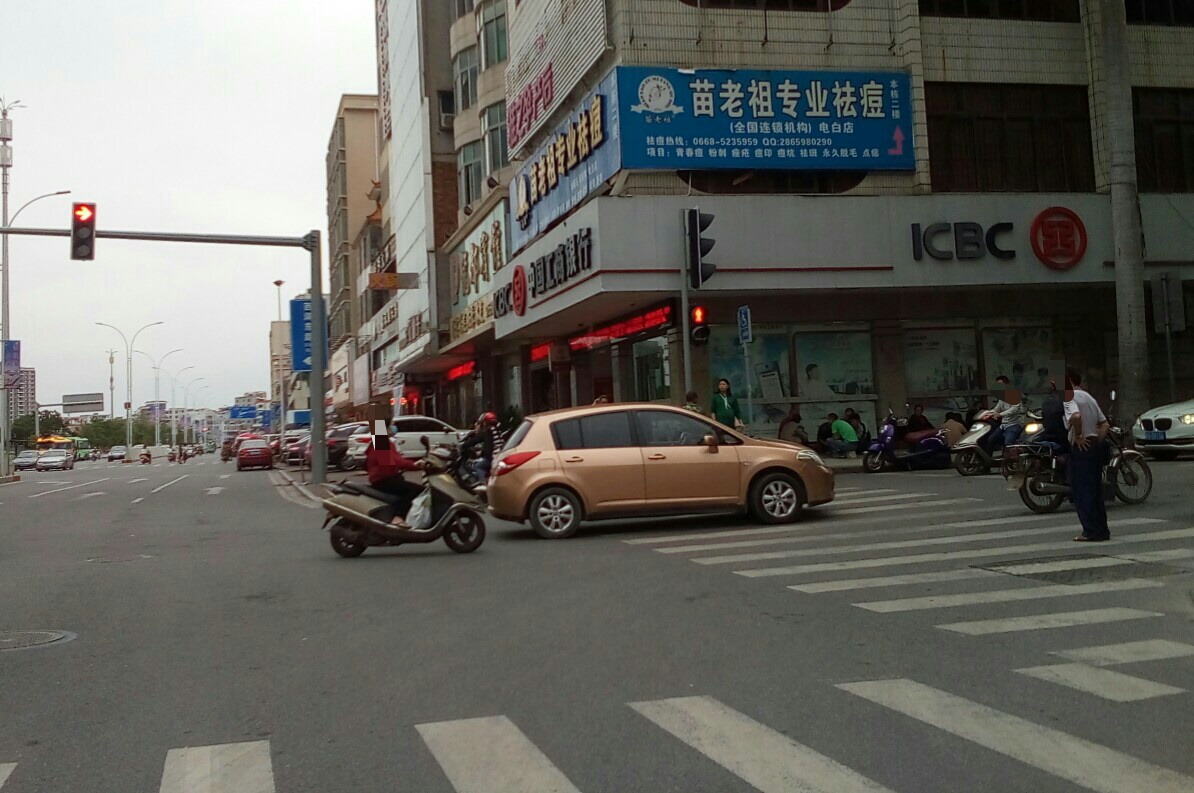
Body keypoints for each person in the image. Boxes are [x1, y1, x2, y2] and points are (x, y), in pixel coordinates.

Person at [1064, 369, 1110, 542]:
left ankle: (1090, 530)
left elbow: (1076, 416)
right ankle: (1101, 530)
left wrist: (1078, 435)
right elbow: (1104, 424)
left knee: (1082, 491)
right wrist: (1096, 440)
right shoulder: (1088, 397)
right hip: (1093, 444)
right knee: (1095, 490)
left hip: (1081, 447)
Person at [365, 421, 425, 528]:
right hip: (383, 480)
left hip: (386, 478)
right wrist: (414, 465)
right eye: (391, 425)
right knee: (416, 490)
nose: (393, 427)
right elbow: (395, 461)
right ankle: (397, 516)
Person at [459, 412, 498, 480]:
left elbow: (477, 440)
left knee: (478, 466)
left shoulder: (487, 431)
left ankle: (482, 483)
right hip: (499, 456)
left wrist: (464, 445)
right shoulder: (496, 430)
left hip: (493, 458)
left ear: (485, 423)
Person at [992, 375, 1028, 448]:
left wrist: (1000, 414)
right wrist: (987, 413)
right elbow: (996, 409)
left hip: (1015, 424)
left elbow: (1014, 409)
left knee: (1008, 443)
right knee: (991, 440)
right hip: (1004, 425)